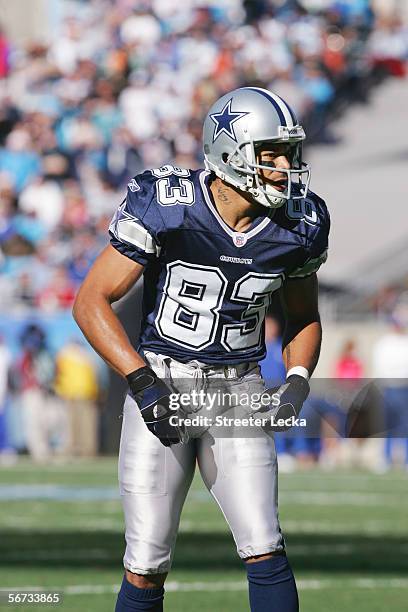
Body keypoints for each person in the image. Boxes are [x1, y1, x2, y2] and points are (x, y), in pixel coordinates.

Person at [73, 87, 330, 612]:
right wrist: (142, 384)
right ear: (230, 151)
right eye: (270, 153)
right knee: (145, 561)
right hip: (163, 378)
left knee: (265, 545)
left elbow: (303, 316)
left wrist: (298, 380)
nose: (286, 166)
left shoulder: (300, 224)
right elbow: (91, 301)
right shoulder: (169, 204)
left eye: (289, 153)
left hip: (239, 387)